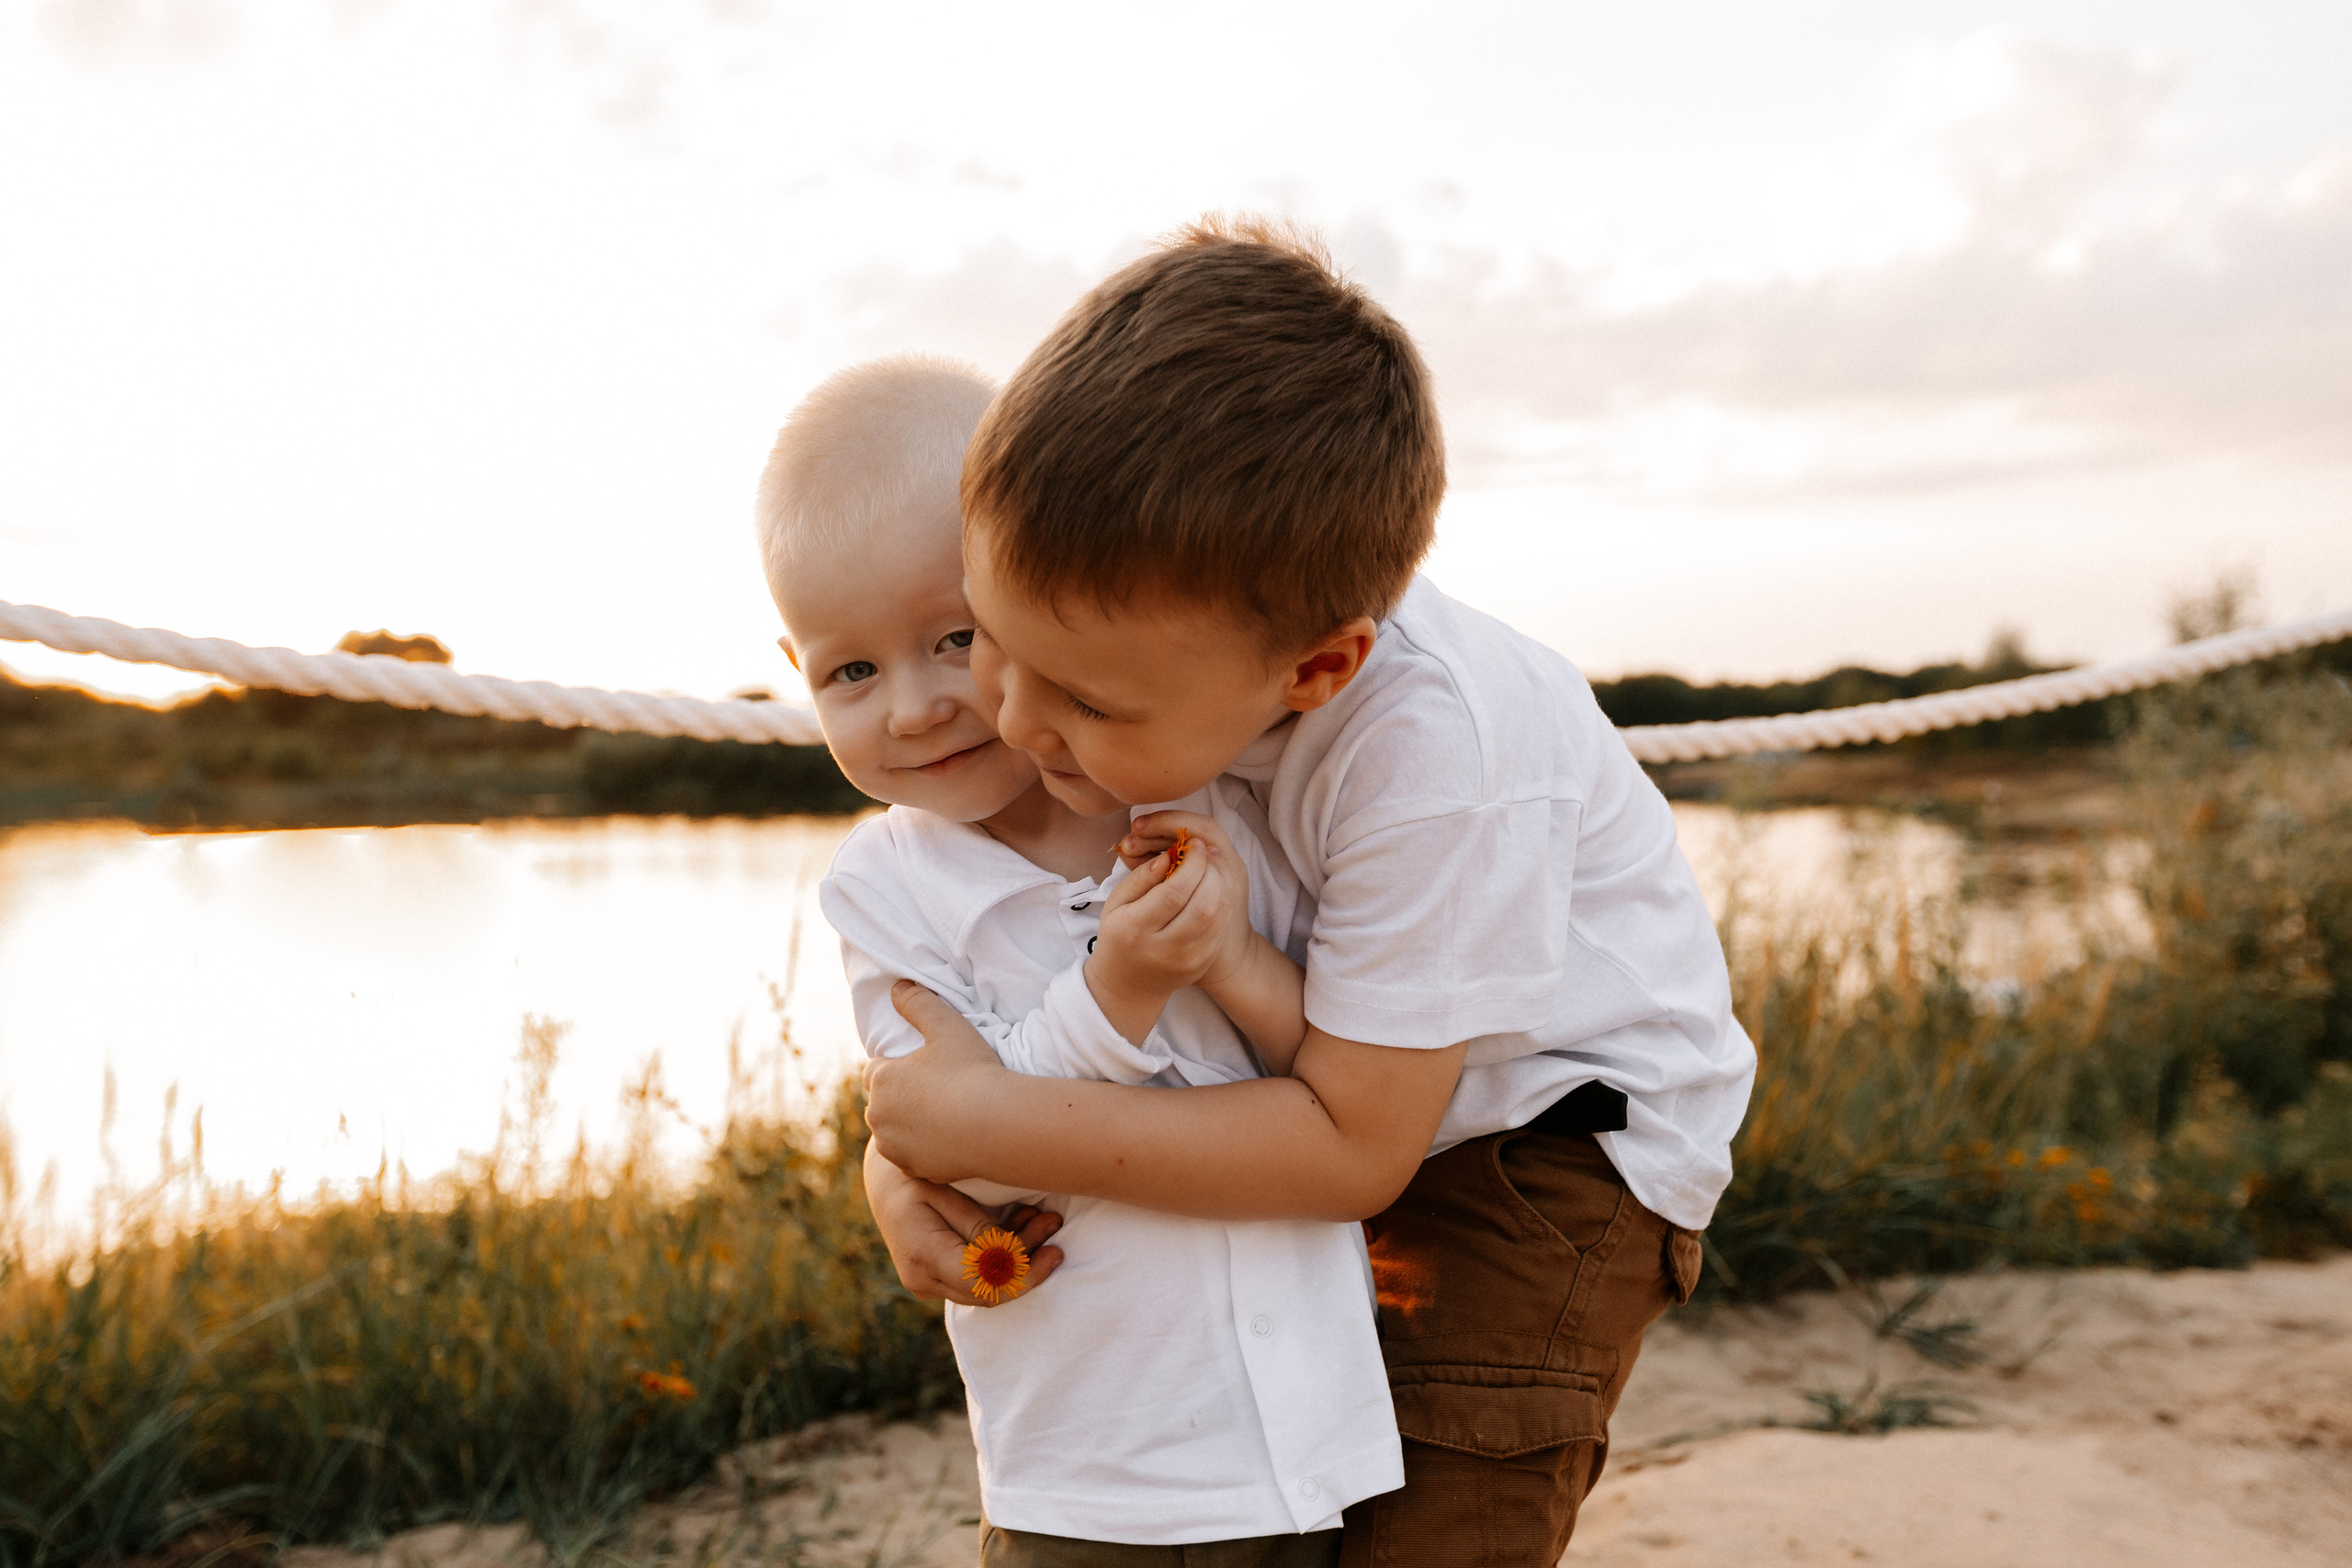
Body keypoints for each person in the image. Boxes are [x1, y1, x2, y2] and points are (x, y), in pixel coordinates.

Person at [861, 220, 1758, 1568]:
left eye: (1084, 701)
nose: (1016, 723)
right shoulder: (1167, 659)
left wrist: (995, 1123)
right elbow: (994, 968)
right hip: (1343, 1076)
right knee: (1277, 1496)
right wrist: (904, 1157)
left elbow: (1354, 1150)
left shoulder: (1438, 756)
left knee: (1436, 1494)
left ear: (1318, 670)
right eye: (994, 637)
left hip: (1548, 1145)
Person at [755, 354, 1402, 1566]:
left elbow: (1337, 1069)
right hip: (1099, 1468)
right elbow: (967, 1151)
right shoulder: (885, 892)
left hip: (1311, 1431)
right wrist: (1123, 987)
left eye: (954, 638)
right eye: (850, 670)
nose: (909, 707)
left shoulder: (1200, 783)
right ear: (794, 668)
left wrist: (1227, 961)